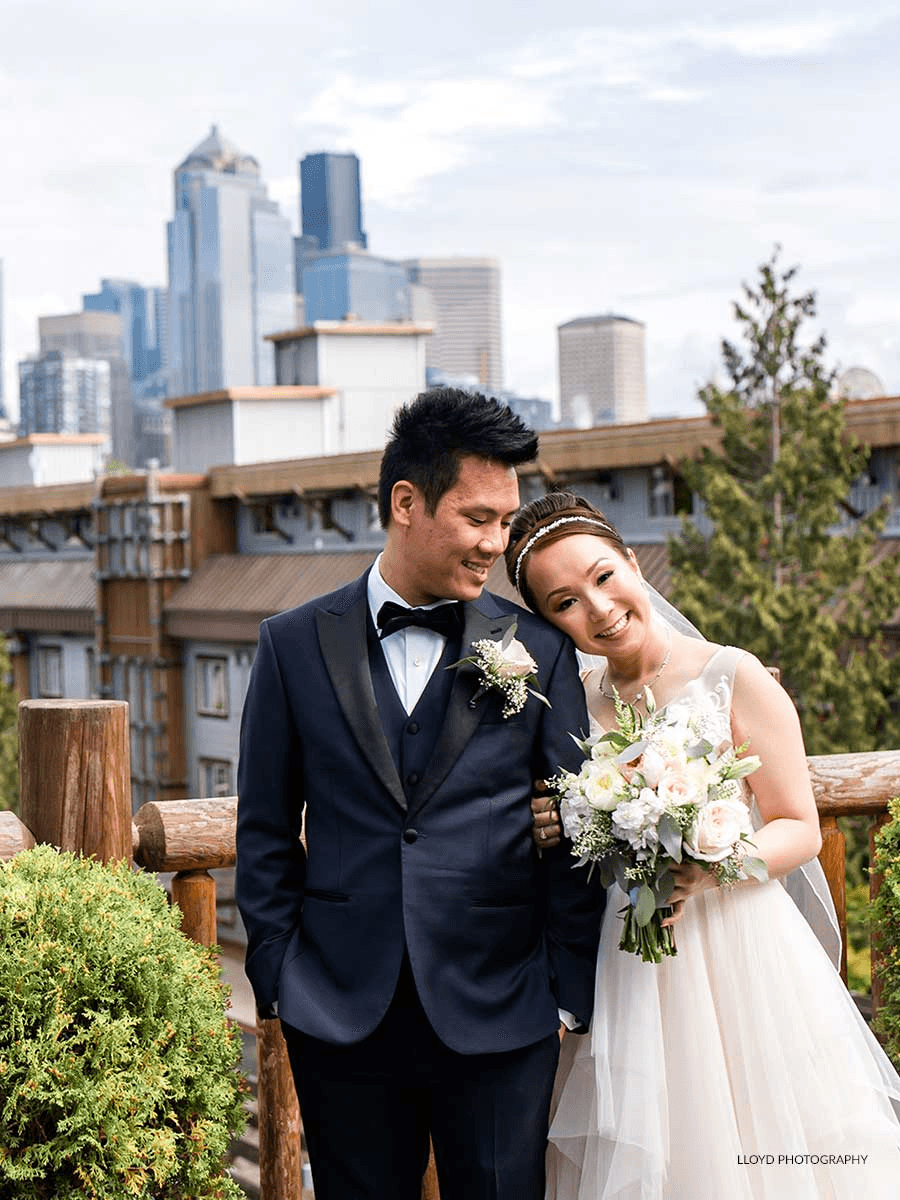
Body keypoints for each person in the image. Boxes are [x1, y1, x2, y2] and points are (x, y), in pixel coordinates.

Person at [235, 392, 605, 1200]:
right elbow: (263, 828)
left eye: (505, 522)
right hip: (339, 1012)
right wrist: (279, 975)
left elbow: (580, 826)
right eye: (478, 518)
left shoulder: (537, 649)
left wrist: (563, 991)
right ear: (406, 502)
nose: (495, 544)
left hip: (506, 1011)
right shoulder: (291, 644)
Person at [505, 491, 900, 1200]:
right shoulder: (574, 703)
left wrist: (705, 870)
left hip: (738, 953)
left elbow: (799, 827)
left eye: (603, 576)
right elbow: (569, 825)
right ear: (549, 623)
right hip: (621, 965)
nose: (597, 609)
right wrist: (552, 822)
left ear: (631, 562)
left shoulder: (732, 675)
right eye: (564, 603)